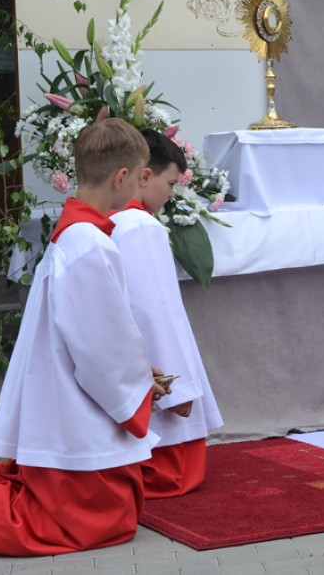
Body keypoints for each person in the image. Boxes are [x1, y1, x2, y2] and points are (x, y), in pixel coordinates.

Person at [0, 118, 169, 556]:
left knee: (113, 505)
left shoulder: (73, 233)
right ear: (120, 178)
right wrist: (138, 381)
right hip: (74, 399)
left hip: (58, 383)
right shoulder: (91, 245)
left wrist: (134, 371)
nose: (137, 186)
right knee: (109, 518)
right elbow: (102, 348)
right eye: (136, 178)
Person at [111, 128, 223, 498]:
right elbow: (155, 314)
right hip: (153, 376)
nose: (172, 194)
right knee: (174, 472)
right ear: (145, 176)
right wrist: (177, 390)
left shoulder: (108, 221)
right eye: (171, 183)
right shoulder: (141, 227)